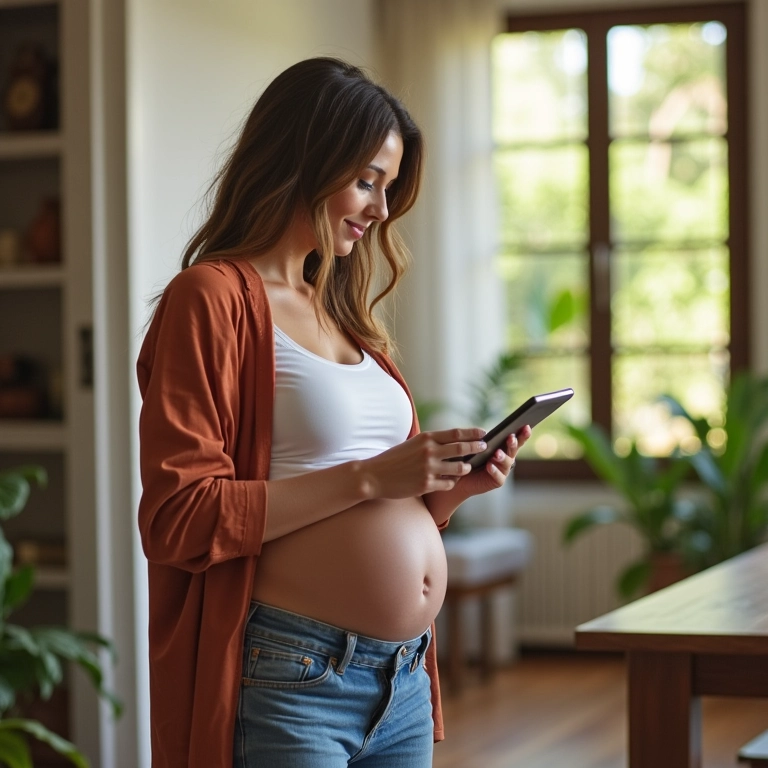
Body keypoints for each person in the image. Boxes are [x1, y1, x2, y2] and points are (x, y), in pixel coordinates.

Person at [137, 57, 530, 768]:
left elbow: (367, 505)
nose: (381, 210)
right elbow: (178, 520)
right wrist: (370, 479)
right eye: (368, 181)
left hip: (402, 679)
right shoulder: (211, 298)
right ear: (302, 160)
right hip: (295, 678)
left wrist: (445, 496)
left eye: (388, 187)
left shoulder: (342, 313)